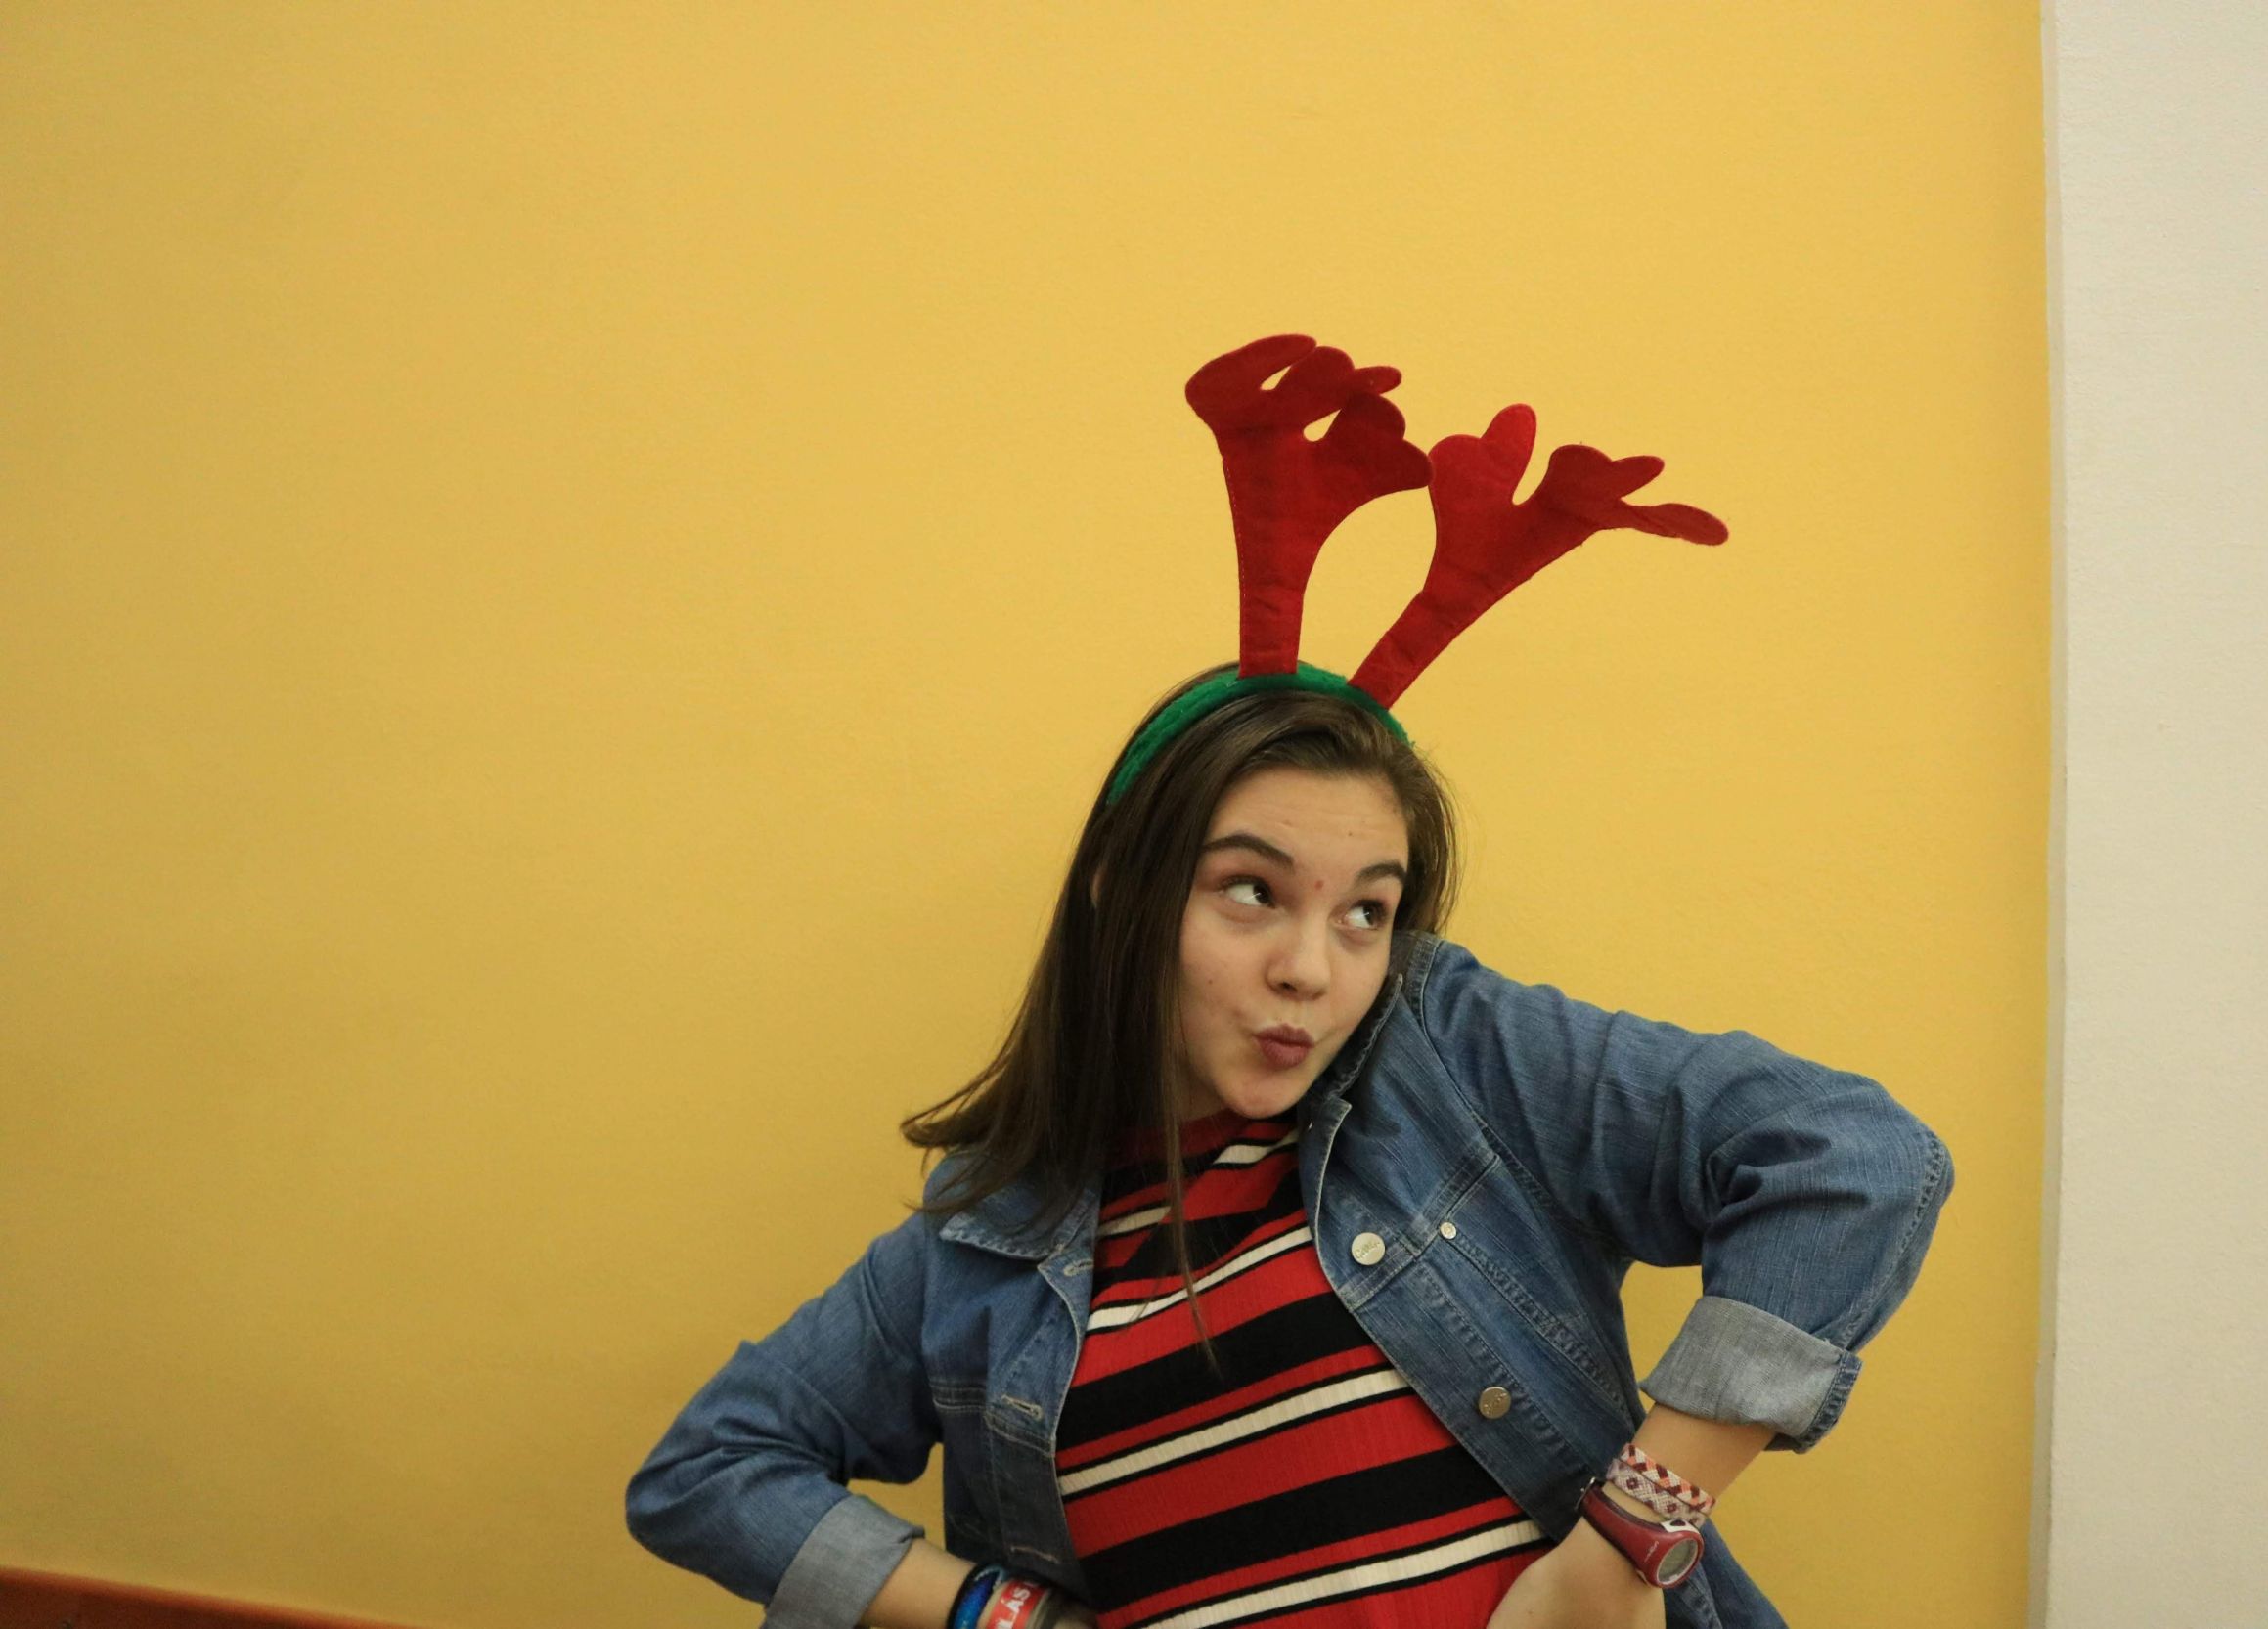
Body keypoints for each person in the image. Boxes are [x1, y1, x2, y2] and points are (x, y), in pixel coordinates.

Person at [625, 338, 1954, 1629]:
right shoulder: (977, 1251)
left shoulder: (1449, 1058)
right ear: (1124, 895)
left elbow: (1854, 1158)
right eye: (1251, 890)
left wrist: (1633, 1534)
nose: (1312, 970)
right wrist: (1001, 1611)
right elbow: (707, 1472)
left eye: (1367, 910)